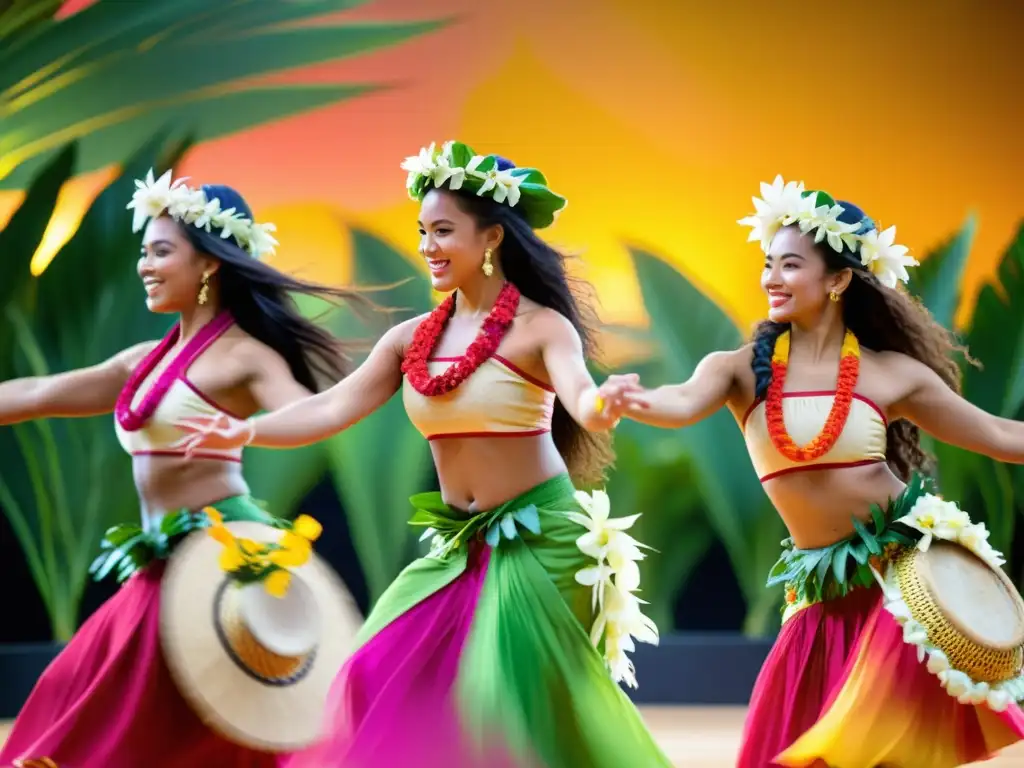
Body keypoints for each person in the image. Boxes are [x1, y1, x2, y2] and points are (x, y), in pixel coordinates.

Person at [174, 140, 673, 767]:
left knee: (499, 704)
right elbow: (332, 408)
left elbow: (582, 396)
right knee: (369, 671)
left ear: (491, 238)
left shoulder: (541, 327)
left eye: (443, 231)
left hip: (543, 542)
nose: (427, 246)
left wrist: (606, 404)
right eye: (422, 231)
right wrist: (243, 432)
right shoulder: (411, 339)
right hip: (461, 544)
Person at [612, 176, 1024, 766]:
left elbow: (1002, 435)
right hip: (819, 592)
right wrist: (629, 400)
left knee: (870, 744)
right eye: (768, 264)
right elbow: (676, 403)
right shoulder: (737, 370)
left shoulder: (889, 373)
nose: (771, 279)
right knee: (799, 746)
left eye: (790, 265)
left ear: (837, 280)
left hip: (900, 582)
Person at [0, 171, 376, 768]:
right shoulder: (142, 363)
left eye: (160, 251)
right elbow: (42, 392)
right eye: (143, 252)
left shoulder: (245, 356)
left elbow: (313, 415)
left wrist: (246, 429)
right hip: (161, 559)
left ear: (209, 264)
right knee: (85, 689)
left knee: (152, 713)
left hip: (222, 556)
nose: (144, 266)